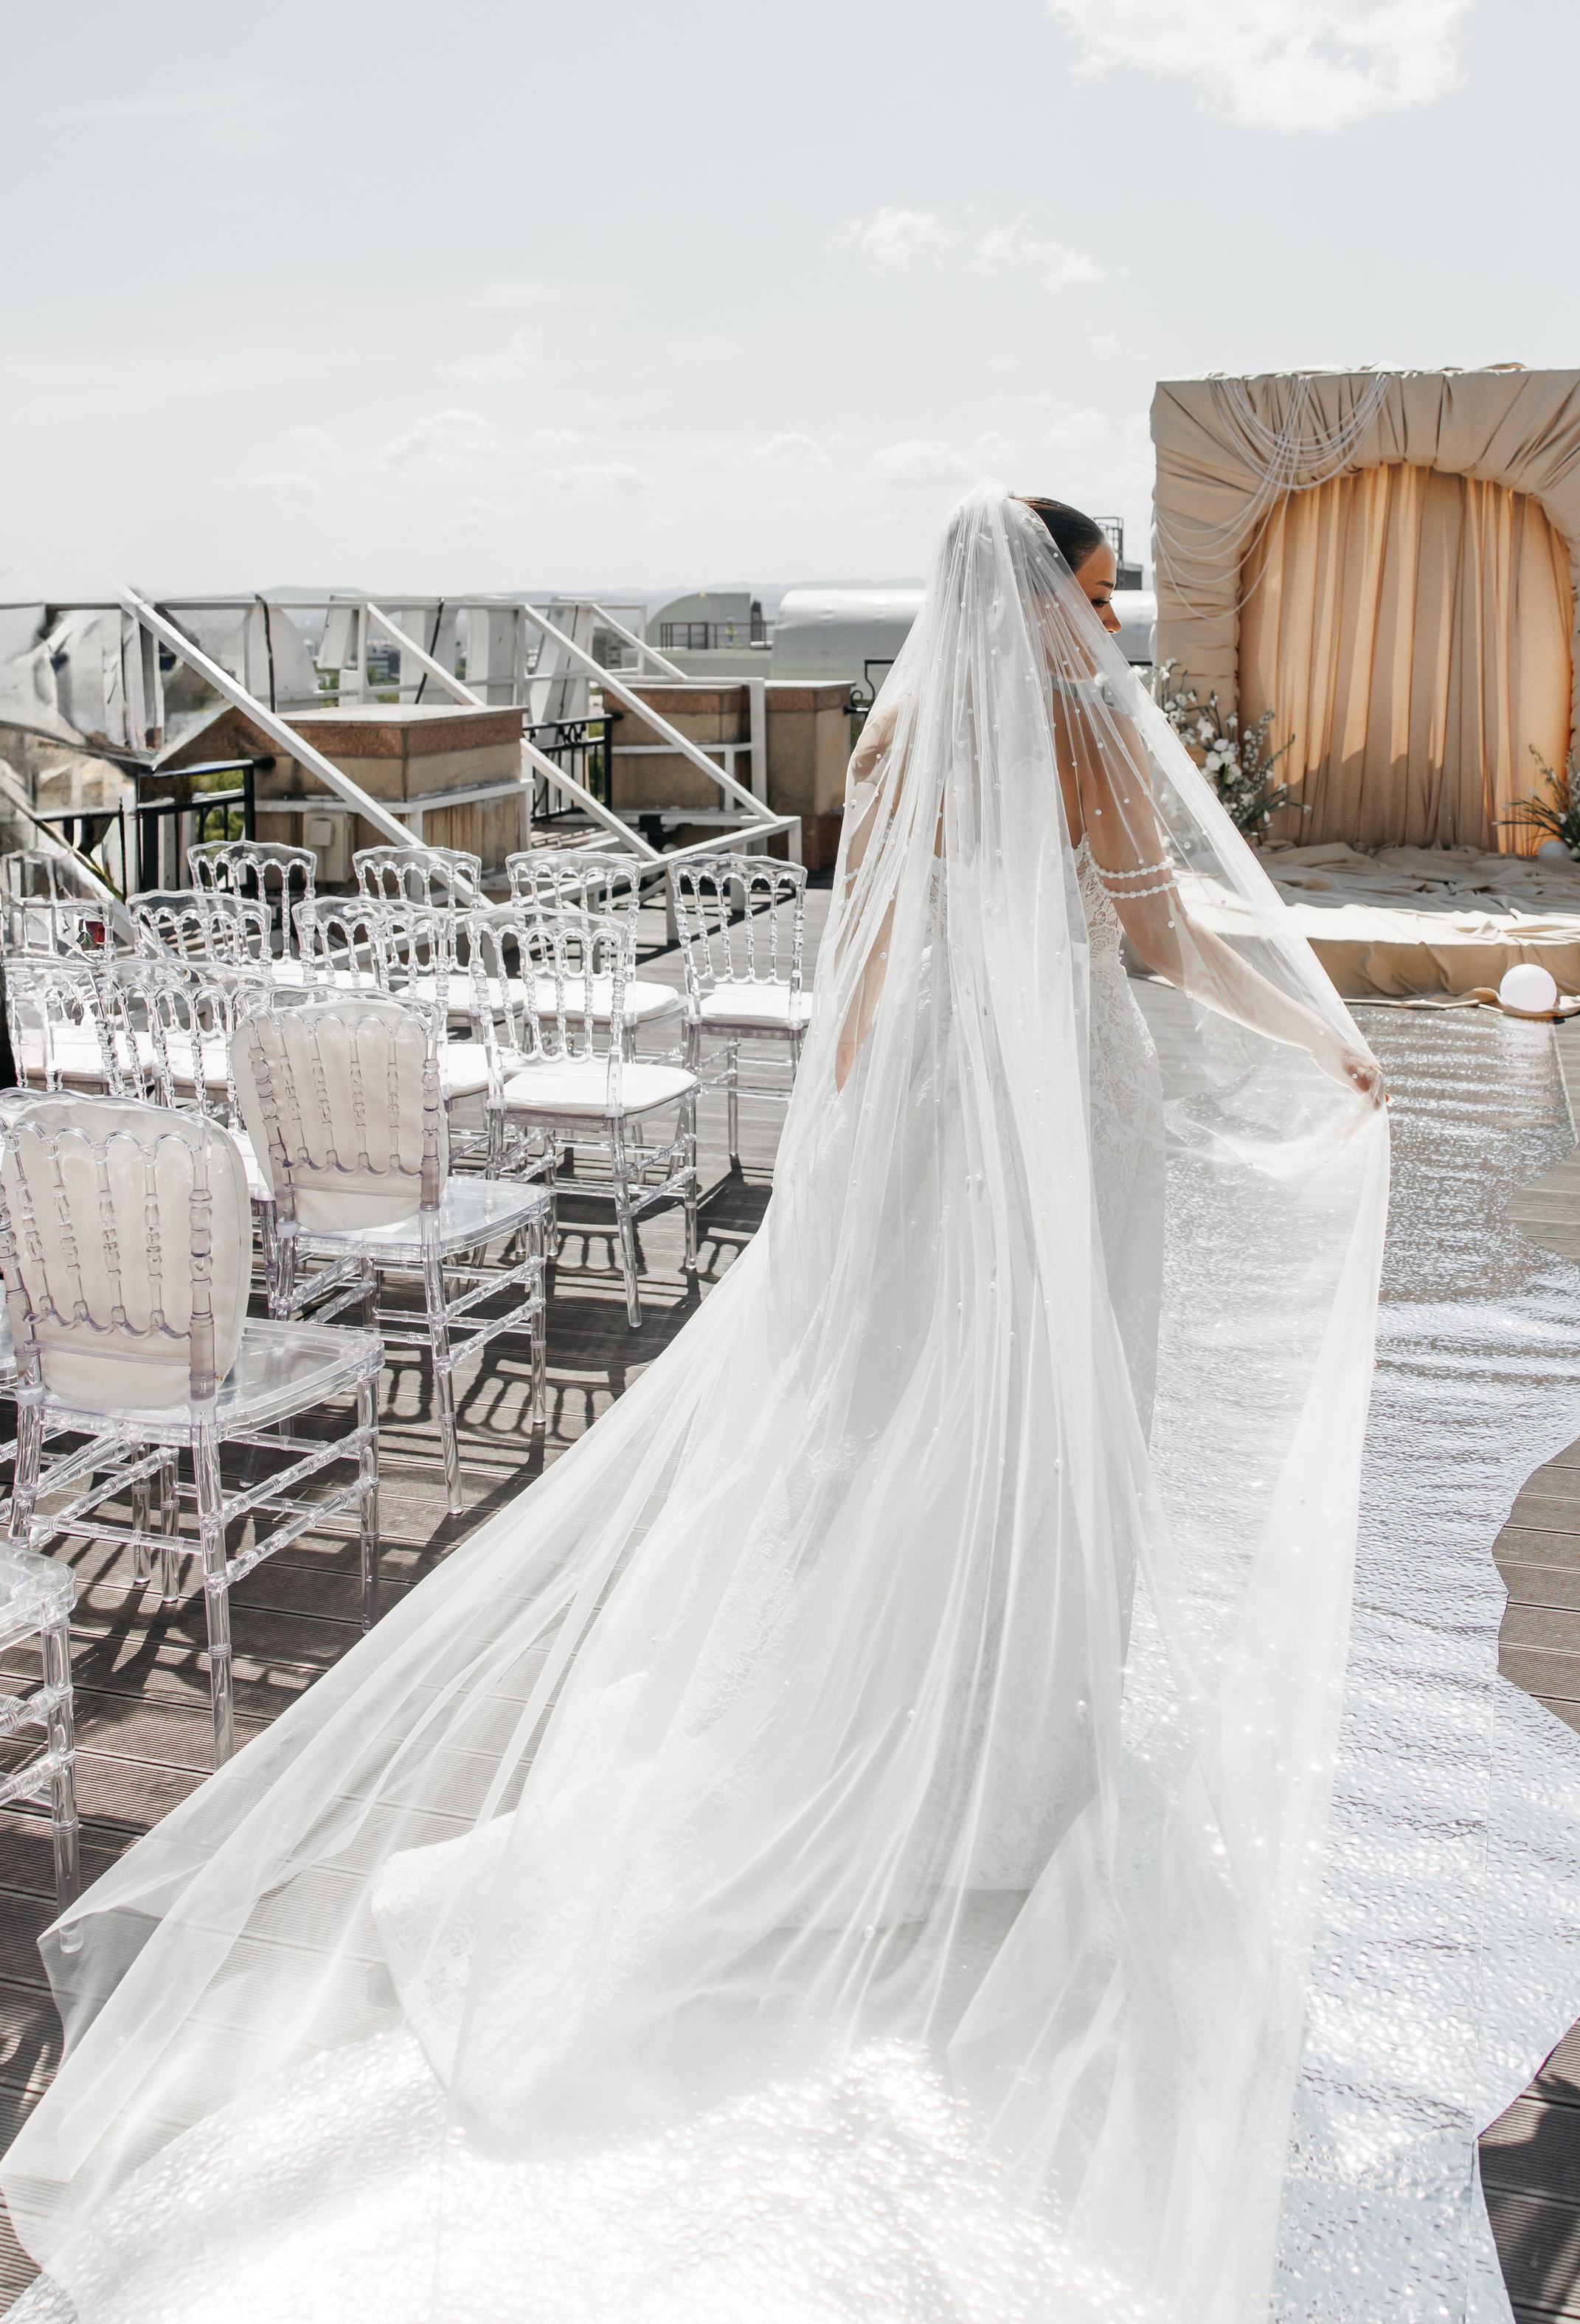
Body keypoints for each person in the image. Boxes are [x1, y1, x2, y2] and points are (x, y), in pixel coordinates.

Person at [4, 487, 1389, 2324]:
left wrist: (848, 1160)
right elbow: (1155, 931)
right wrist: (1323, 1034)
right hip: (1053, 1119)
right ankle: (1003, 1758)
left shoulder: (892, 733)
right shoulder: (1072, 725)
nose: (1106, 618)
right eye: (1096, 589)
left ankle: (886, 1723)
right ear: (1052, 597)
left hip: (918, 1122)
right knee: (1046, 1416)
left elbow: (861, 967)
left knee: (893, 1428)